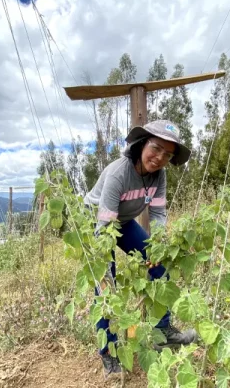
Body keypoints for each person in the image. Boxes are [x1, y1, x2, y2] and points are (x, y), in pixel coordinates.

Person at [84, 119, 198, 375]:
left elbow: (158, 214)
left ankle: (163, 331)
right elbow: (104, 225)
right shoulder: (119, 174)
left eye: (167, 155)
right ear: (142, 143)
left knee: (160, 267)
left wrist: (157, 247)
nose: (159, 158)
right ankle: (109, 353)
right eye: (156, 148)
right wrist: (105, 265)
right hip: (98, 223)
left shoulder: (159, 176)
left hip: (122, 221)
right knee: (105, 285)